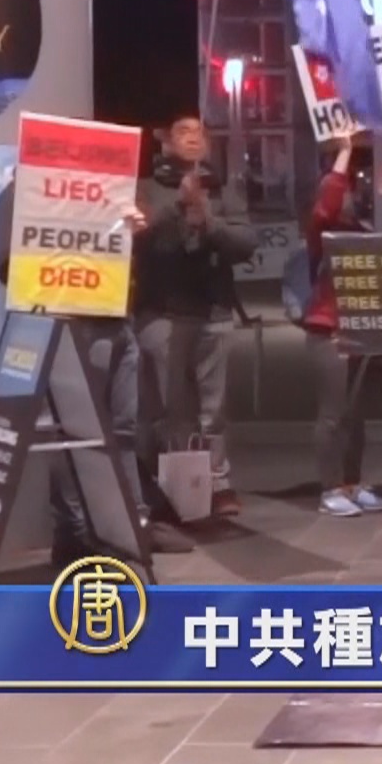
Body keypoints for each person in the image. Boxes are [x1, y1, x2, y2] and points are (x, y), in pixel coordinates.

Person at [0, 177, 193, 563]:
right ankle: (79, 531)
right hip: (66, 324)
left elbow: (123, 247)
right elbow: (7, 264)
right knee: (75, 436)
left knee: (122, 432)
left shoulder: (102, 187)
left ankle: (131, 525)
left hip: (116, 319)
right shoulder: (22, 190)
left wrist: (129, 229)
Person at [132, 113, 258, 518]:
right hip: (163, 313)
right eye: (183, 131)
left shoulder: (222, 188)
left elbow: (246, 242)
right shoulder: (145, 188)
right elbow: (138, 241)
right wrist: (178, 206)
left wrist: (209, 220)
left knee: (213, 409)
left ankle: (217, 483)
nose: (193, 137)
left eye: (199, 132)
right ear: (166, 141)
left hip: (213, 312)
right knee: (171, 409)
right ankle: (174, 487)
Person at [298, 142, 382, 517]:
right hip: (328, 329)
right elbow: (328, 204)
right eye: (347, 186)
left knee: (354, 416)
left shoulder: (361, 230)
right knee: (333, 414)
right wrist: (345, 152)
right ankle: (330, 488)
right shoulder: (323, 231)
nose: (352, 193)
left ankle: (351, 483)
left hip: (359, 329)